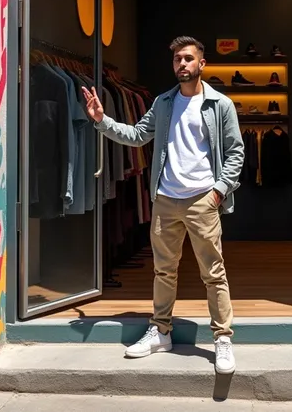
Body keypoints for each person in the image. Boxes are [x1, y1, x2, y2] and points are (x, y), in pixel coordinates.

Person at [82, 36, 244, 374]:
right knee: (163, 271)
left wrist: (219, 191)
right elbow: (138, 135)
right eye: (177, 60)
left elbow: (235, 153)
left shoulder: (220, 105)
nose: (182, 64)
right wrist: (101, 120)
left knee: (213, 272)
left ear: (202, 64)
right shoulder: (164, 102)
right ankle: (162, 332)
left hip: (203, 199)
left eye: (188, 59)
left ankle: (223, 338)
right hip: (167, 200)